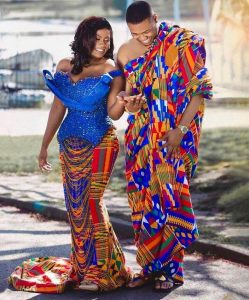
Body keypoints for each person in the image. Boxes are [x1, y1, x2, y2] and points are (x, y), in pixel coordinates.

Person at [8, 16, 132, 293]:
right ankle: (87, 266)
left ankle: (103, 273)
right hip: (69, 144)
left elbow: (113, 112)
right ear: (84, 38)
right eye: (98, 38)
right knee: (76, 209)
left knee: (92, 203)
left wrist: (124, 100)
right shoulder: (64, 66)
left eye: (107, 39)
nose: (103, 44)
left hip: (102, 141)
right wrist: (44, 146)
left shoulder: (112, 70)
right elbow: (57, 109)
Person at [116, 1, 213, 292]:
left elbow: (200, 92)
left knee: (168, 200)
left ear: (156, 18)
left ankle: (172, 270)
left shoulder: (185, 43)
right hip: (141, 141)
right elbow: (131, 100)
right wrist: (130, 104)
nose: (144, 39)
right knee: (143, 203)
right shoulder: (124, 52)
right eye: (137, 35)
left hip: (172, 137)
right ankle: (147, 267)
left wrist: (179, 131)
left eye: (147, 32)